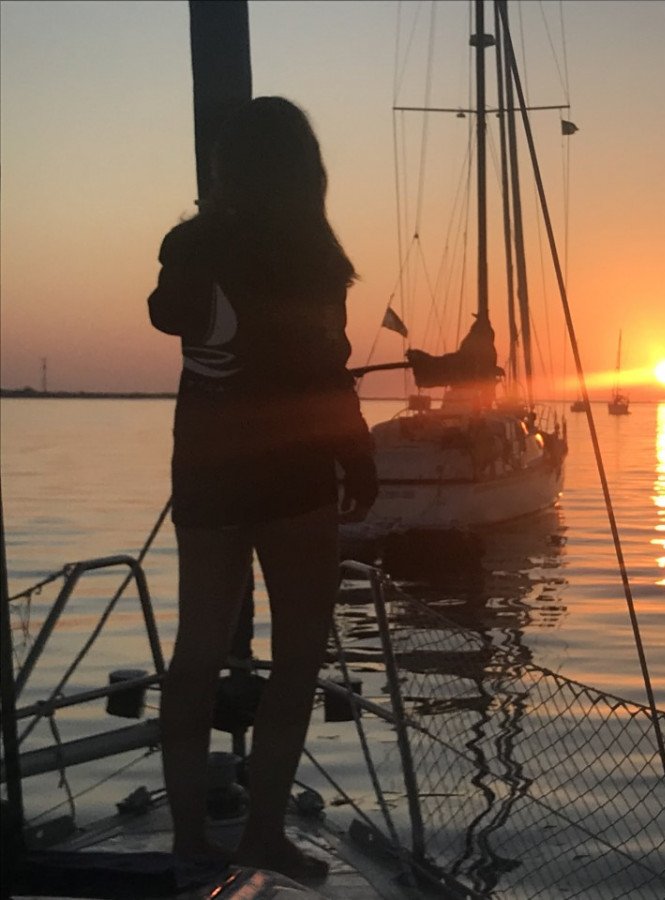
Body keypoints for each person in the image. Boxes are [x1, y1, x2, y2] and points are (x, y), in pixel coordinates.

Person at [148, 96, 377, 881]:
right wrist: (359, 458)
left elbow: (167, 313)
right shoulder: (316, 264)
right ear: (304, 173)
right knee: (298, 657)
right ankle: (262, 833)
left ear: (230, 169)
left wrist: (202, 234)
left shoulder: (198, 248)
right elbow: (330, 373)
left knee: (196, 656)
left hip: (211, 477)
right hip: (297, 477)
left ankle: (189, 841)